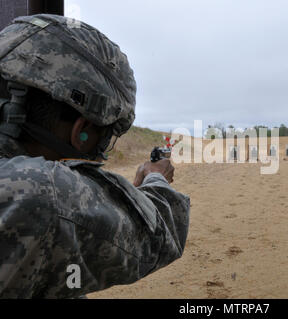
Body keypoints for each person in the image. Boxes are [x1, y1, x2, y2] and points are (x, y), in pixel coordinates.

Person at [0, 14, 190, 298]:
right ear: (83, 132)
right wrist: (155, 177)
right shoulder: (39, 190)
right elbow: (162, 230)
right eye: (104, 139)